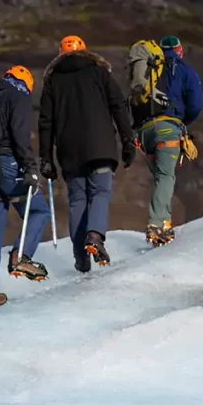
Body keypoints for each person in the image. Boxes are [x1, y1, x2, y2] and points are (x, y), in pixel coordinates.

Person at [39, 35, 135, 271]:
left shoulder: (53, 81)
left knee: (78, 200)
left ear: (60, 54)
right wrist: (128, 140)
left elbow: (46, 122)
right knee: (100, 192)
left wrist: (46, 159)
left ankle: (81, 257)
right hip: (100, 145)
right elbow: (118, 106)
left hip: (69, 150)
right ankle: (94, 236)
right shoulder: (100, 72)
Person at [0, 66, 51, 310]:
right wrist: (30, 168)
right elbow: (20, 135)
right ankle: (20, 256)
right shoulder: (18, 97)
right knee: (38, 210)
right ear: (25, 83)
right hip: (6, 164)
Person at [134, 35, 203, 246]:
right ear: (179, 50)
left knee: (161, 177)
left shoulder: (148, 68)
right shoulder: (184, 69)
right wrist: (182, 121)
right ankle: (157, 224)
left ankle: (164, 223)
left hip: (145, 130)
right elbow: (196, 104)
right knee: (166, 176)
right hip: (168, 128)